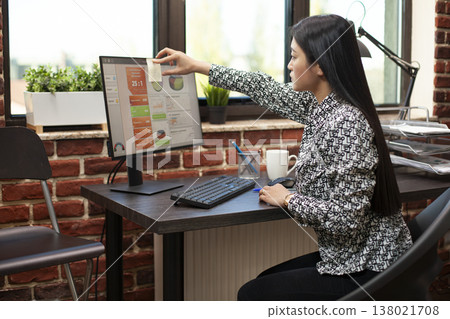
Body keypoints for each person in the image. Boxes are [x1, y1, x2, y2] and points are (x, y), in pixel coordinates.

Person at [153, 14, 412, 300]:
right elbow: (264, 87)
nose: (289, 66)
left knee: (252, 294)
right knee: (263, 282)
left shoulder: (345, 122)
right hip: (346, 256)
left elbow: (346, 219)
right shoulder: (320, 105)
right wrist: (198, 66)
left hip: (369, 267)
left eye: (293, 56)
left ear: (320, 66)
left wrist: (287, 198)